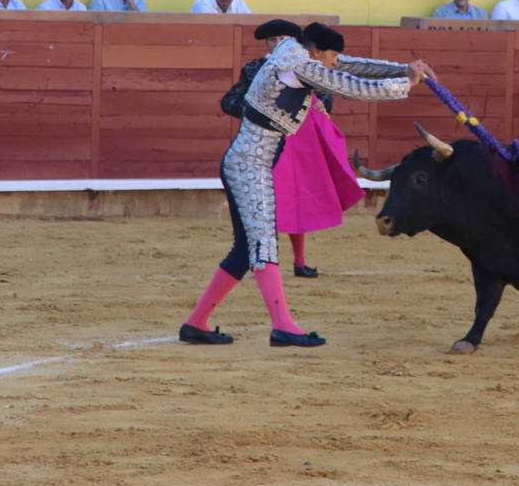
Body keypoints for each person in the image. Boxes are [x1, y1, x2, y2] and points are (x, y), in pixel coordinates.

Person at [181, 23, 434, 347]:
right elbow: (351, 86)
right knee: (263, 244)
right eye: (331, 56)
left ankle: (196, 323)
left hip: (248, 161)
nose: (334, 61)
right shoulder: (300, 66)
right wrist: (405, 83)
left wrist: (401, 69)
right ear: (316, 51)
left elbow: (348, 65)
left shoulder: (294, 52)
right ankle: (282, 325)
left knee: (246, 250)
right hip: (249, 166)